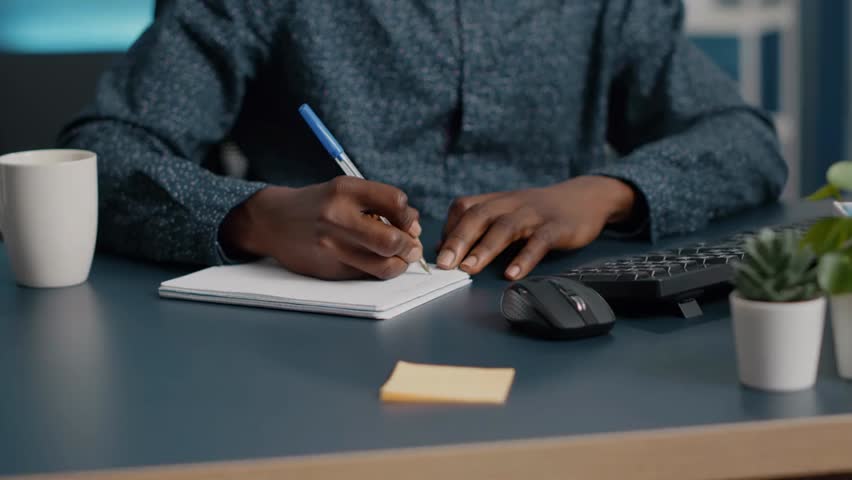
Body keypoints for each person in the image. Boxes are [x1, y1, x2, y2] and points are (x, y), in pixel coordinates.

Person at [59, 0, 787, 281]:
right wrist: (256, 215)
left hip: (550, 321)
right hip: (306, 336)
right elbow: (101, 154)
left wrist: (602, 194)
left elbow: (744, 141)